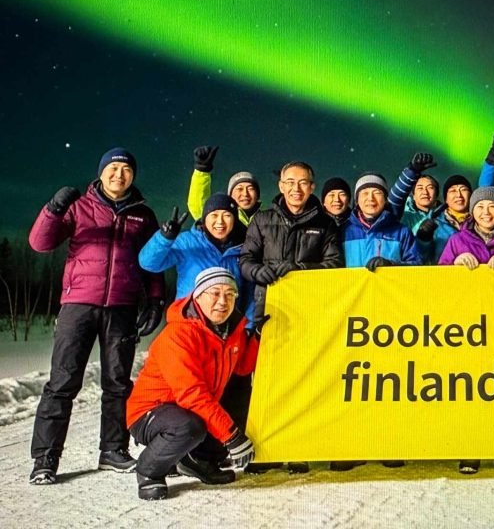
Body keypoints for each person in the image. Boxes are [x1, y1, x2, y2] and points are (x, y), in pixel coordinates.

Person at [27, 148, 165, 485]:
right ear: (101, 172)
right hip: (79, 305)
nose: (119, 175)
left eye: (126, 169)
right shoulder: (79, 207)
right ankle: (45, 459)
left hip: (121, 307)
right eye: (113, 168)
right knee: (62, 382)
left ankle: (112, 450)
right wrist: (52, 209)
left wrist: (156, 300)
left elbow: (151, 262)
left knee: (117, 383)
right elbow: (39, 243)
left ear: (133, 175)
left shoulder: (143, 215)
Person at [239, 160, 343, 473]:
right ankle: (264, 450)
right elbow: (246, 260)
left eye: (303, 183)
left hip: (308, 313)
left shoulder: (325, 224)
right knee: (265, 383)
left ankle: (297, 448)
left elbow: (334, 266)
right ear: (281, 185)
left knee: (301, 380)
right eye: (290, 182)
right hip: (268, 310)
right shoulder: (263, 219)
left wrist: (298, 271)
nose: (296, 189)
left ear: (312, 186)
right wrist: (259, 271)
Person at [126, 267, 258, 500]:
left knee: (240, 392)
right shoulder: (178, 335)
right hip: (150, 412)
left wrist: (257, 336)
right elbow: (192, 394)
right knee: (189, 427)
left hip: (189, 409)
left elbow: (242, 369)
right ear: (197, 297)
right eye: (214, 293)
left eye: (230, 294)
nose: (222, 301)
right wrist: (232, 436)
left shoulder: (231, 329)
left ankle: (199, 460)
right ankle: (149, 470)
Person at [138, 193, 255, 443]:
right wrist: (164, 238)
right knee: (190, 389)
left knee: (227, 387)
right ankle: (175, 442)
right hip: (191, 329)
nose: (220, 221)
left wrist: (250, 324)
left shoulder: (243, 247)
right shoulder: (188, 242)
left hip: (228, 330)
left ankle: (216, 447)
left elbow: (249, 289)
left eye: (226, 215)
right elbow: (148, 263)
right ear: (204, 218)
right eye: (214, 215)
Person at [438, 186, 494, 474]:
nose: (486, 212)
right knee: (470, 389)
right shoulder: (456, 240)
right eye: (480, 208)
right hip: (468, 326)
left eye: (491, 207)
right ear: (472, 212)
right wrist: (453, 265)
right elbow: (436, 281)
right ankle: (470, 450)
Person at [343, 172, 420, 270]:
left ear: (385, 199)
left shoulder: (402, 232)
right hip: (355, 285)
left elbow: (417, 266)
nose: (370, 198)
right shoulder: (344, 231)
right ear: (357, 200)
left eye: (377, 193)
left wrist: (391, 265)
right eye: (365, 193)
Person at [187, 145, 262, 226]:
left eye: (250, 189)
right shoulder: (222, 220)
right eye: (239, 189)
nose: (245, 194)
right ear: (230, 195)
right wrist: (202, 171)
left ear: (257, 195)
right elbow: (199, 207)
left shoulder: (269, 218)